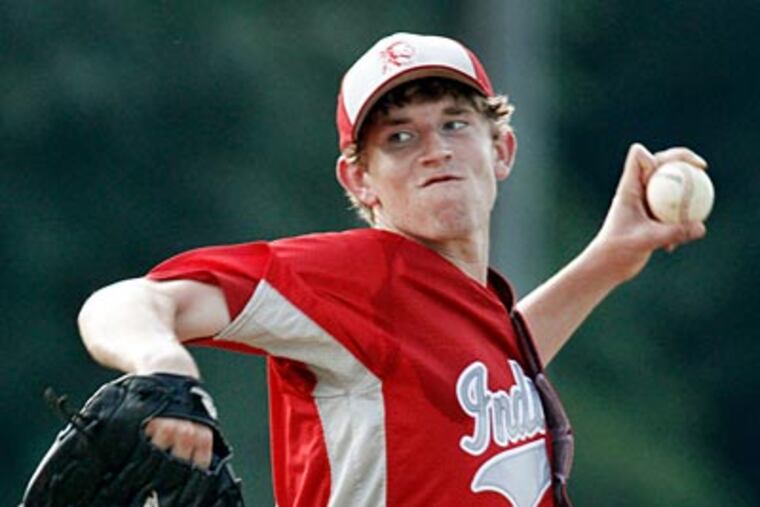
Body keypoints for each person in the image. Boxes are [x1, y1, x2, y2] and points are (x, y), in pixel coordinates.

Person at [77, 32, 708, 506]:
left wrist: (611, 256)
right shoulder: (354, 279)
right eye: (399, 137)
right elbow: (122, 304)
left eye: (455, 124)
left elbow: (490, 366)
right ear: (360, 179)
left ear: (502, 149)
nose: (434, 150)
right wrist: (166, 367)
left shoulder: (466, 305)